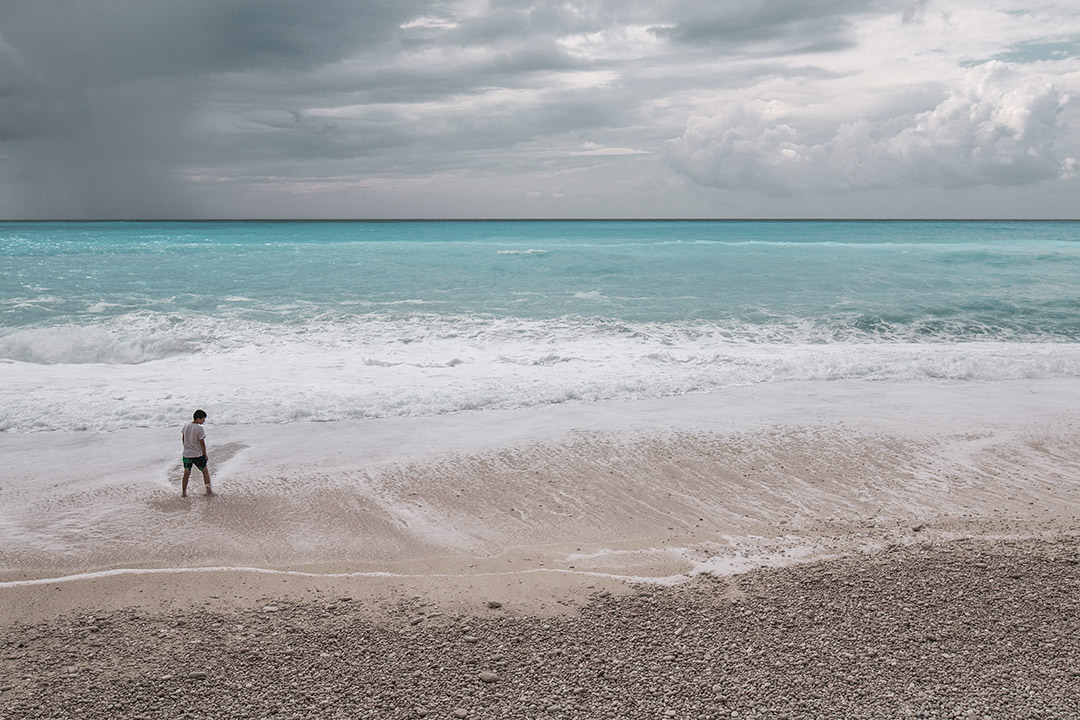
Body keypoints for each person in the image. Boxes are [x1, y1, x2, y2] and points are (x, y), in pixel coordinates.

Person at [181, 409, 213, 497]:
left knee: (186, 473)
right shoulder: (199, 429)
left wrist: (186, 447)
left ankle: (184, 492)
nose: (204, 421)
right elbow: (202, 443)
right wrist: (205, 454)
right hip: (197, 455)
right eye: (203, 419)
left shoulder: (186, 425)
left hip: (187, 454)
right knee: (205, 472)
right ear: (198, 418)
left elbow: (183, 438)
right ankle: (209, 492)